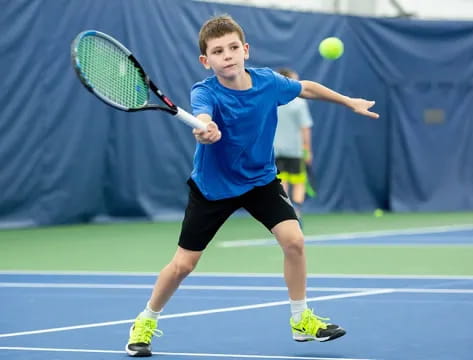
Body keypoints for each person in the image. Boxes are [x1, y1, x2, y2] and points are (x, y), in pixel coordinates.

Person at [125, 14, 379, 357]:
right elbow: (202, 117)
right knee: (183, 265)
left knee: (294, 242)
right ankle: (146, 319)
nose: (227, 55)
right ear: (206, 60)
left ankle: (300, 317)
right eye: (218, 51)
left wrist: (349, 102)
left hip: (260, 180)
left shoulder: (269, 83)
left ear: (245, 50)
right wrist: (205, 128)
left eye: (233, 47)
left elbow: (306, 88)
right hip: (213, 188)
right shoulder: (205, 91)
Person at [274, 68, 314, 226]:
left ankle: (286, 214)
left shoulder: (272, 101)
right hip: (295, 152)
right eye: (295, 80)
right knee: (298, 182)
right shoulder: (299, 102)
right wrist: (308, 150)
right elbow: (305, 128)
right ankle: (296, 212)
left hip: (275, 151)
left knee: (281, 182)